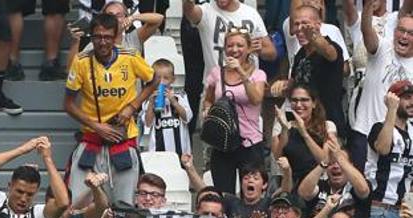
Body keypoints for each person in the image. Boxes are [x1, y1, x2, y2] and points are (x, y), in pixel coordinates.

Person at [64, 14, 158, 207]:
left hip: (122, 141)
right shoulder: (81, 61)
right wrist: (96, 126)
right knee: (79, 205)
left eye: (107, 36)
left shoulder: (130, 57)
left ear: (116, 37)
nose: (102, 42)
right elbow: (68, 104)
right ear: (91, 37)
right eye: (97, 36)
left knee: (124, 207)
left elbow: (154, 79)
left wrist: (132, 107)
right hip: (91, 142)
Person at [202, 29, 267, 195]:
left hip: (249, 142)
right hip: (223, 142)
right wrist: (207, 109)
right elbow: (208, 98)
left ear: (248, 49)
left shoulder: (258, 74)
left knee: (251, 194)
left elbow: (256, 99)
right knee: (224, 194)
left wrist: (242, 73)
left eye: (240, 45)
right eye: (230, 45)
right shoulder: (217, 73)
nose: (235, 49)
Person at [350, 7, 413, 171]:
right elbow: (366, 30)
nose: (404, 36)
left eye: (410, 33)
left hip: (399, 141)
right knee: (361, 191)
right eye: (401, 30)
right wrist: (368, 6)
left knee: (389, 193)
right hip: (365, 131)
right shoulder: (383, 47)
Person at [272, 4, 345, 135]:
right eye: (296, 24)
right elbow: (296, 84)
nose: (300, 29)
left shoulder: (332, 47)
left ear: (318, 24)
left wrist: (314, 37)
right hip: (303, 126)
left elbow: (330, 53)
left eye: (305, 24)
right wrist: (284, 85)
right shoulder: (300, 54)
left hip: (327, 128)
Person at [365, 82, 413, 218]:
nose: (411, 102)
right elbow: (383, 148)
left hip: (405, 210)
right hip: (380, 209)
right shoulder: (379, 127)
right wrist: (391, 110)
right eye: (406, 97)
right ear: (393, 100)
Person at [183, 0, 276, 79]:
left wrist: (259, 50)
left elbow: (272, 53)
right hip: (217, 88)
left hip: (248, 88)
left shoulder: (251, 14)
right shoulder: (206, 11)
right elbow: (189, 11)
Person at [271, 84, 334, 191]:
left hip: (317, 184)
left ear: (314, 103)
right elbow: (278, 157)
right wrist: (285, 130)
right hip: (290, 182)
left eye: (304, 100)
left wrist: (304, 132)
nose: (299, 105)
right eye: (294, 100)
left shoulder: (328, 126)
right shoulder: (282, 125)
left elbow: (324, 160)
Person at [142, 59, 193, 156]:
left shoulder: (180, 96)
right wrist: (151, 102)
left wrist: (174, 101)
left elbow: (187, 118)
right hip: (158, 151)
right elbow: (148, 123)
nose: (161, 81)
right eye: (157, 78)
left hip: (180, 150)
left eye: (166, 78)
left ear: (173, 79)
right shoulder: (148, 100)